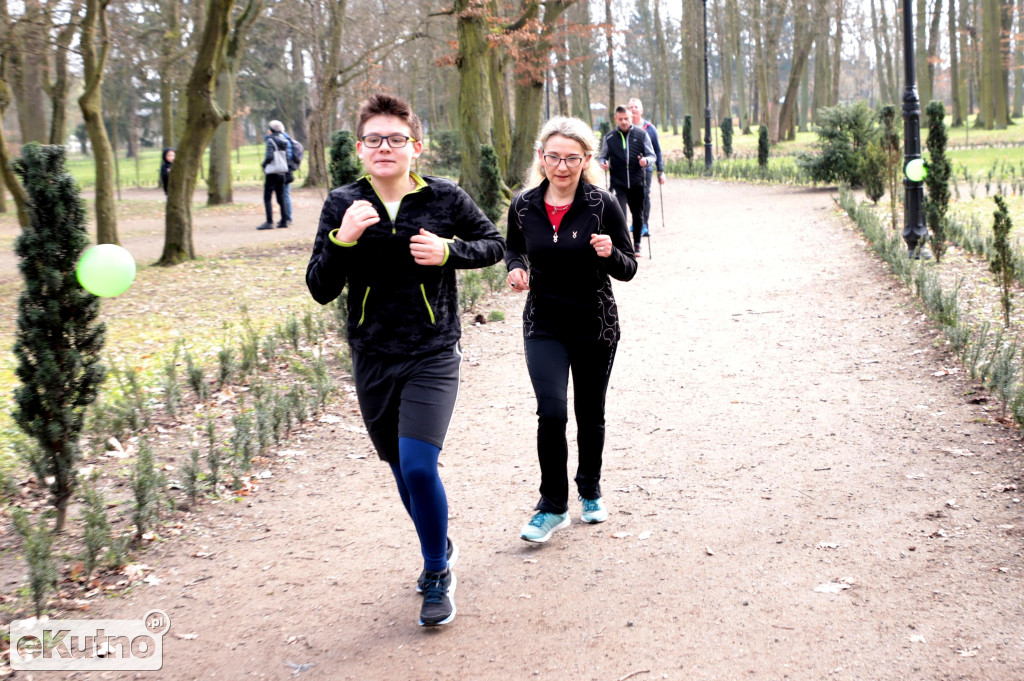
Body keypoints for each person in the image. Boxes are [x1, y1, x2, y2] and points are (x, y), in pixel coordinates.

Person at [306, 93, 505, 627]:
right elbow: (320, 288)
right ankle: (438, 538)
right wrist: (341, 240)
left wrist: (448, 252)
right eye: (375, 140)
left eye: (396, 139)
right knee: (399, 468)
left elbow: (494, 243)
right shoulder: (342, 203)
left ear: (415, 147)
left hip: (432, 352)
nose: (385, 148)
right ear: (360, 149)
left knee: (419, 464)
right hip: (373, 356)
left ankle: (437, 571)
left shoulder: (444, 198)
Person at [505, 116, 637, 544]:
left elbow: (629, 267)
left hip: (594, 324)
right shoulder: (523, 205)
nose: (562, 166)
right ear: (541, 158)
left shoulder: (602, 204)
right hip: (543, 323)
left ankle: (590, 487)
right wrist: (516, 268)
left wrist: (611, 251)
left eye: (572, 158)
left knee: (589, 412)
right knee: (552, 412)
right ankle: (552, 506)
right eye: (554, 157)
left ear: (586, 160)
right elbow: (513, 248)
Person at [598, 106, 656, 256]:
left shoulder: (642, 135)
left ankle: (637, 244)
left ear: (631, 118)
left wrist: (645, 161)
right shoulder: (609, 137)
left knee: (638, 215)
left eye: (626, 118)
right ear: (615, 118)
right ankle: (624, 247)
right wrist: (603, 163)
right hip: (618, 184)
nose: (624, 122)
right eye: (621, 119)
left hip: (637, 183)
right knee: (620, 216)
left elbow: (652, 156)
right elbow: (602, 156)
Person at [627, 97, 665, 236]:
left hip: (645, 169)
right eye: (631, 107)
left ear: (641, 110)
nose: (633, 110)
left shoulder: (650, 129)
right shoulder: (625, 129)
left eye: (636, 107)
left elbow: (657, 150)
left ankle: (644, 225)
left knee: (644, 195)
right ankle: (636, 222)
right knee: (631, 197)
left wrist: (661, 171)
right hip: (629, 169)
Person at [258, 120, 292, 230]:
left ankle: (269, 221)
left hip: (272, 173)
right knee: (281, 197)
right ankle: (284, 220)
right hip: (282, 172)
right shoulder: (284, 140)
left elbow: (269, 157)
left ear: (271, 130)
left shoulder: (270, 140)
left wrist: (263, 165)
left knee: (267, 197)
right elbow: (287, 158)